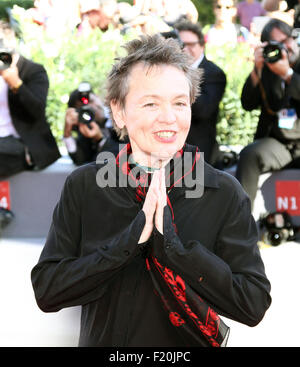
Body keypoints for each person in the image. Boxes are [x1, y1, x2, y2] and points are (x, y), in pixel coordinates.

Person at [31, 34, 271, 347]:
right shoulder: (86, 186)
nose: (169, 118)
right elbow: (48, 291)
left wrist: (176, 249)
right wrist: (129, 242)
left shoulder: (223, 192)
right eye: (151, 103)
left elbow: (252, 304)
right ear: (118, 111)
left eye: (179, 103)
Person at [236, 18, 300, 208]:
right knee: (249, 154)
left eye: (287, 40)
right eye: (277, 43)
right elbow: (247, 104)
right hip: (278, 143)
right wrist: (257, 69)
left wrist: (287, 74)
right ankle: (241, 224)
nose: (285, 47)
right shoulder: (267, 68)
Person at [0, 20, 60, 179]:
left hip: (22, 144)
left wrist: (17, 84)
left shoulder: (33, 71)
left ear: (10, 42)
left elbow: (37, 111)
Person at [175, 21, 226, 164]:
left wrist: (182, 75)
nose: (185, 49)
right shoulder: (167, 72)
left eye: (190, 45)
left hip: (197, 148)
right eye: (181, 45)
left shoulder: (214, 73)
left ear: (202, 46)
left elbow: (203, 110)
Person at [63, 82, 120, 165]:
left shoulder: (120, 116)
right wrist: (67, 133)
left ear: (97, 97)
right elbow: (79, 159)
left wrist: (100, 139)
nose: (91, 107)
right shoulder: (86, 129)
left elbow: (127, 155)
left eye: (92, 101)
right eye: (83, 108)